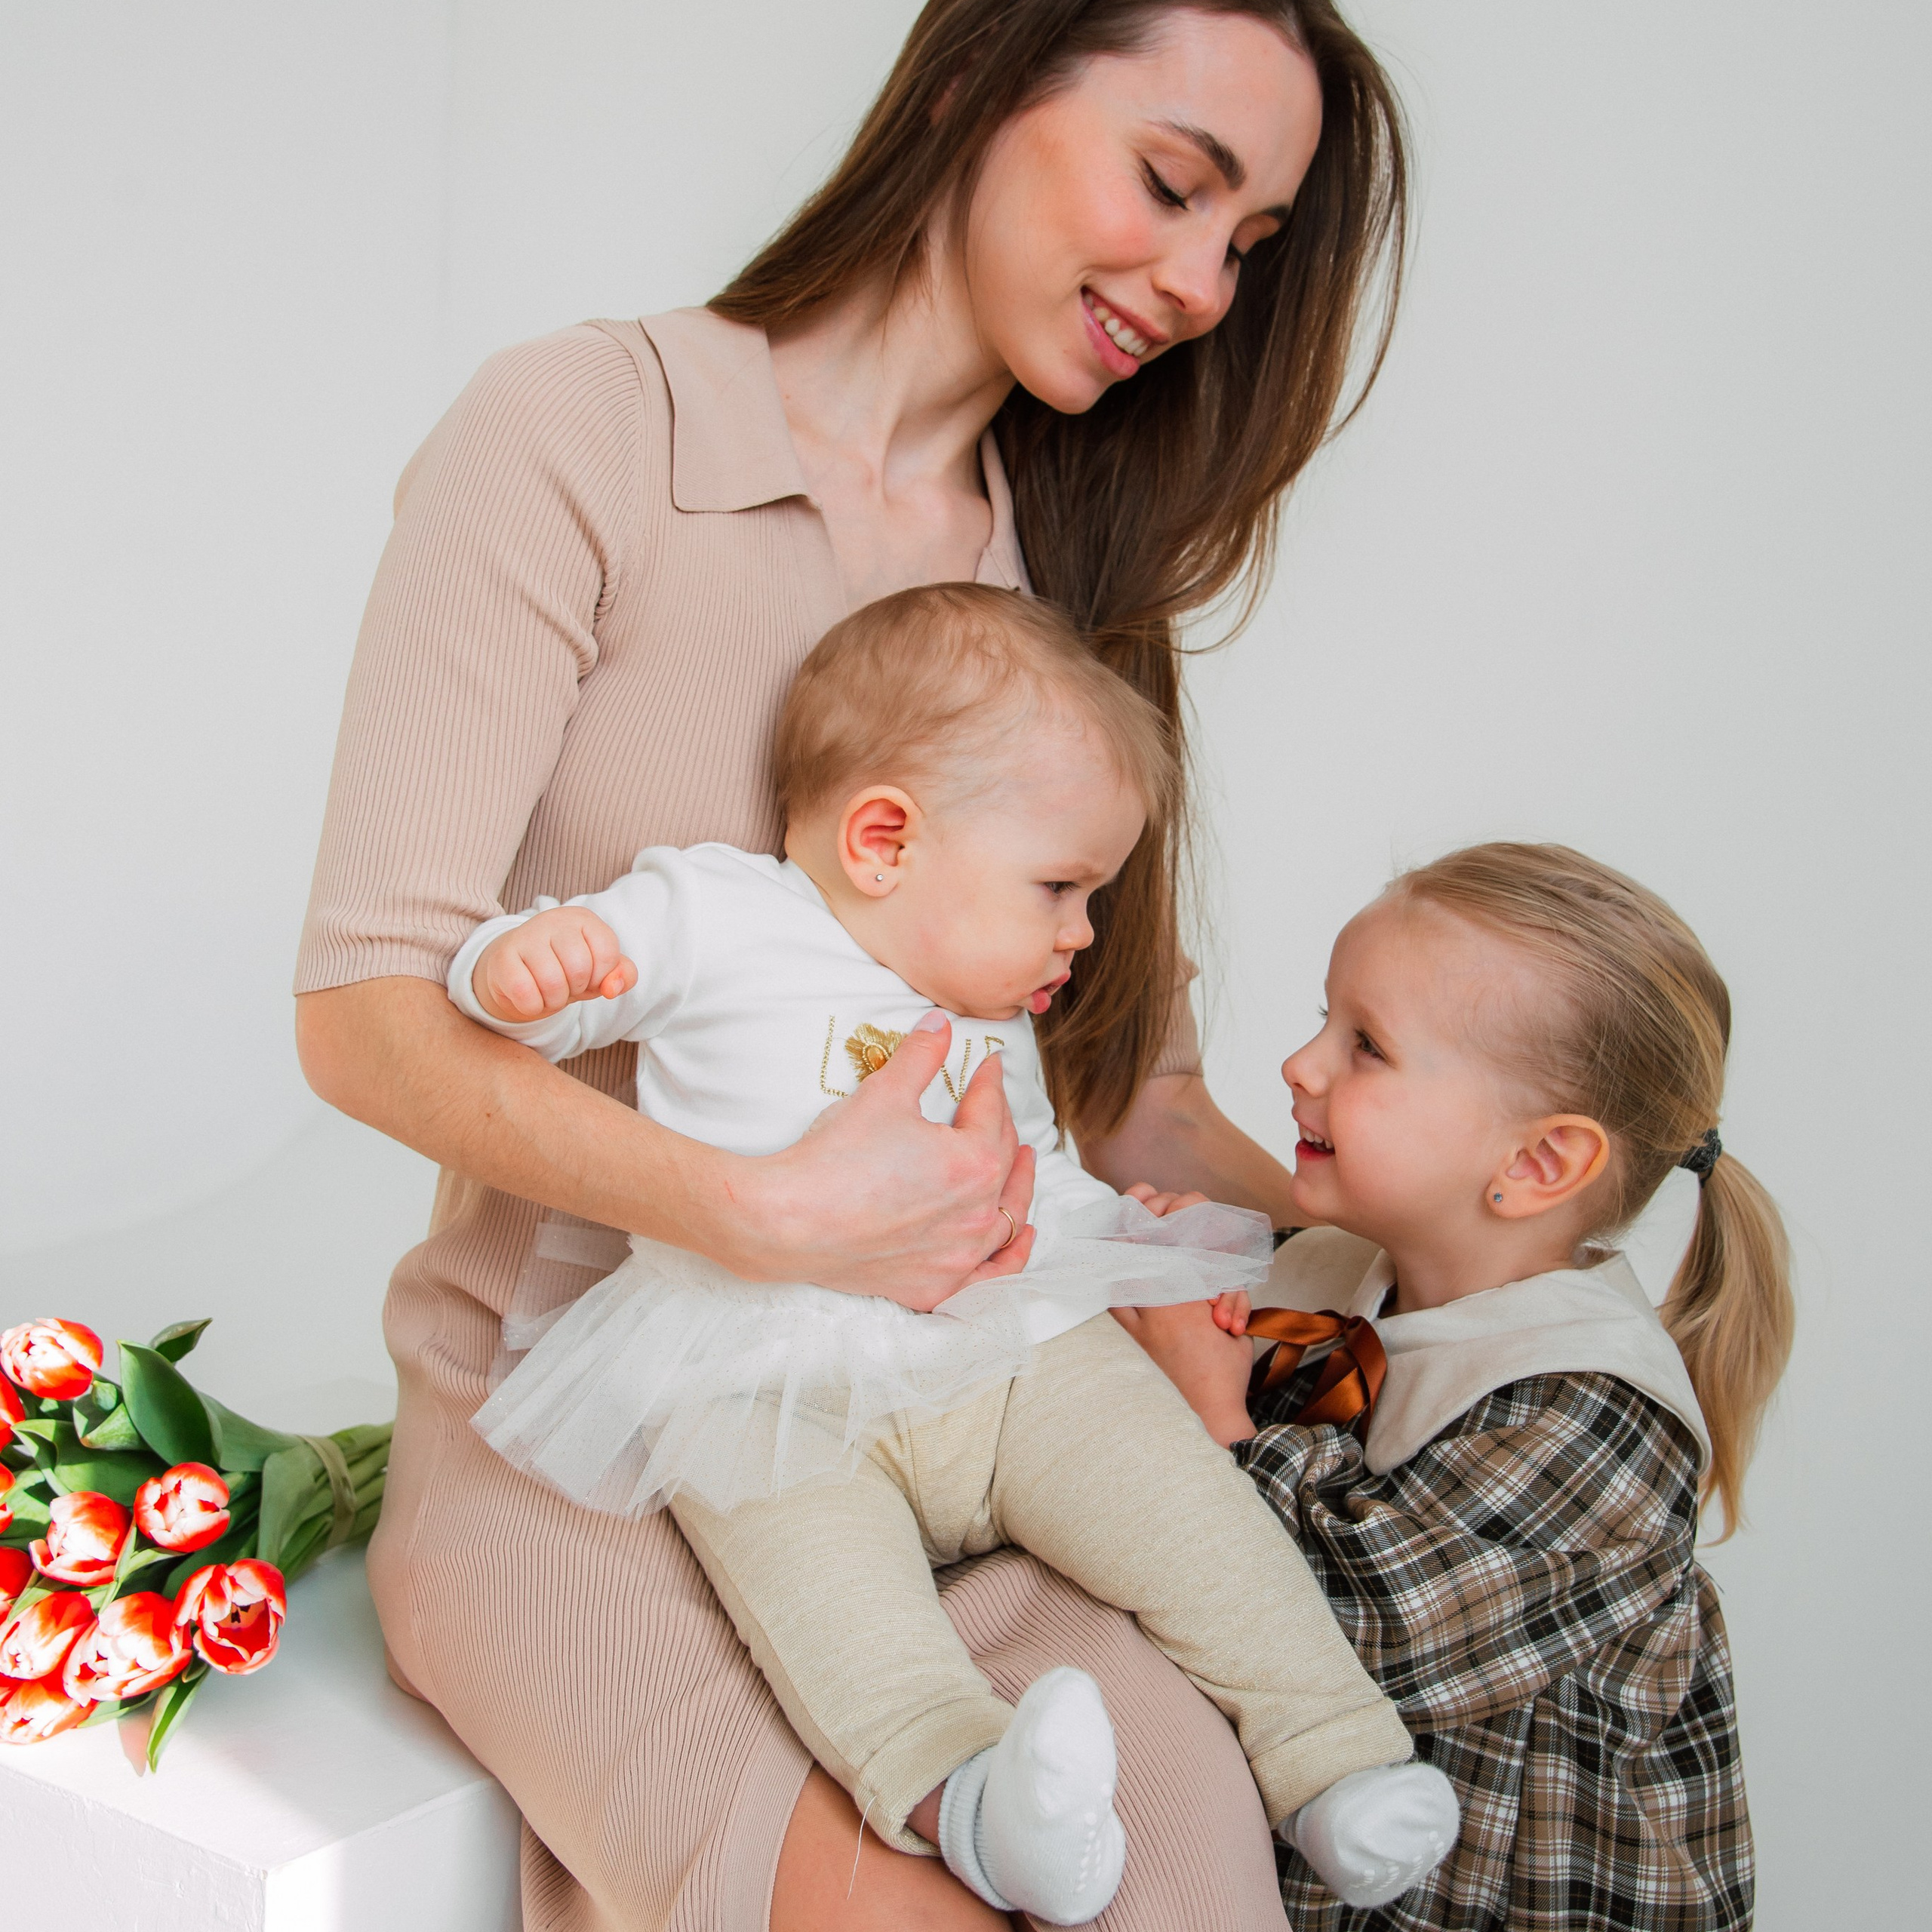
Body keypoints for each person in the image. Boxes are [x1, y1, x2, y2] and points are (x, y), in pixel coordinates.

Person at [294, 3, 1409, 1924]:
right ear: (975, 79)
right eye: (1171, 184)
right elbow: (365, 1015)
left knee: (1196, 1869)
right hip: (589, 1435)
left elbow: (1125, 1091)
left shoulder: (1058, 587)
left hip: (981, 1411)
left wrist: (1458, 1241)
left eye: (1249, 245)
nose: (1202, 282)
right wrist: (760, 1205)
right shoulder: (586, 434)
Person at [451, 586, 1455, 1924]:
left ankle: (1331, 1755)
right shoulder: (723, 914)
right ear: (884, 840)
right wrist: (526, 963)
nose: (1082, 934)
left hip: (1015, 1356)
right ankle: (977, 1799)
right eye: (1060, 888)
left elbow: (1037, 1174)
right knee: (830, 1612)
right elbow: (556, 994)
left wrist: (1121, 1233)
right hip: (772, 1378)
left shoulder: (987, 990)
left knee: (1191, 1519)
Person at [1115, 844, 1792, 1930]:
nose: (1300, 1063)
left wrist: (1213, 1410)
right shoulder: (1342, 1270)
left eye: (1366, 1046)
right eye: (1322, 1020)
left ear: (1535, 1165)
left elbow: (1345, 1633)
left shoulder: (1597, 1417)